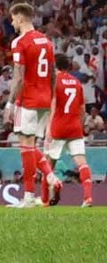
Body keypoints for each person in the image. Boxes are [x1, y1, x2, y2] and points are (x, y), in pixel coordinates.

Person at [5, 2, 60, 208]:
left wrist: (10, 104)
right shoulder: (47, 41)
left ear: (20, 17)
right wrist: (52, 99)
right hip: (45, 99)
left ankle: (28, 196)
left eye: (12, 18)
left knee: (25, 147)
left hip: (27, 99)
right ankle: (51, 178)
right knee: (32, 146)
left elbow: (18, 77)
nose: (12, 22)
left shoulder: (20, 42)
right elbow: (53, 73)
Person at [43, 55, 92, 207]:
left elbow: (53, 105)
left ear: (55, 66)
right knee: (82, 163)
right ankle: (87, 198)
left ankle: (45, 199)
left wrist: (48, 131)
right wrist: (80, 125)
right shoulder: (77, 83)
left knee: (48, 165)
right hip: (74, 127)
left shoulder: (54, 81)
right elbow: (82, 109)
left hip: (58, 127)